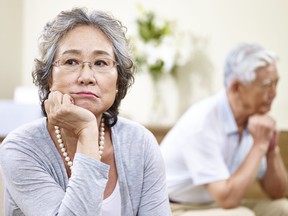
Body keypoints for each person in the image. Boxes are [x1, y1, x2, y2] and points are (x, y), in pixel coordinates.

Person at [0, 7, 171, 216]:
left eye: (101, 63)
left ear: (119, 80)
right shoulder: (20, 148)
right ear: (49, 77)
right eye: (71, 61)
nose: (87, 76)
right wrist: (87, 132)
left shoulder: (141, 143)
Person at [160, 43, 288, 216]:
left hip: (215, 205)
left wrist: (271, 148)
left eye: (276, 83)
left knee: (283, 208)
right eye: (266, 85)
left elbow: (278, 193)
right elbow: (227, 199)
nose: (274, 93)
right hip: (174, 208)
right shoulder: (202, 122)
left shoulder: (256, 121)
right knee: (242, 214)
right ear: (236, 88)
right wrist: (259, 146)